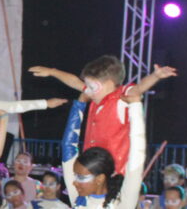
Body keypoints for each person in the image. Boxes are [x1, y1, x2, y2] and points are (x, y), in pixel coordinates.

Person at [29, 56, 175, 172]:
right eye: (88, 86)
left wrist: (155, 76)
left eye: (93, 86)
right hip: (92, 167)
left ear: (110, 83)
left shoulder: (120, 97)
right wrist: (53, 72)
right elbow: (75, 82)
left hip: (114, 170)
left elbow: (138, 89)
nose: (88, 90)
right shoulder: (96, 96)